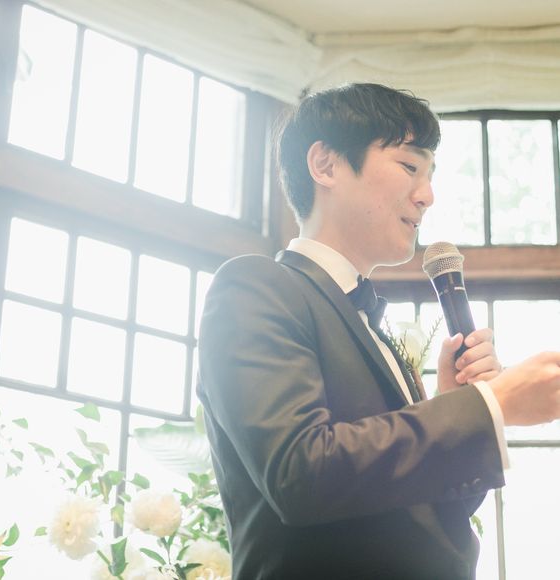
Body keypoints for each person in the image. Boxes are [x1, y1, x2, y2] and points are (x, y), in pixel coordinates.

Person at [197, 83, 560, 579]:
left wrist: (452, 406)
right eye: (410, 167)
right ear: (325, 164)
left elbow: (420, 519)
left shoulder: (375, 330)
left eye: (431, 175)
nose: (427, 196)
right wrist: (490, 405)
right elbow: (301, 473)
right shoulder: (254, 286)